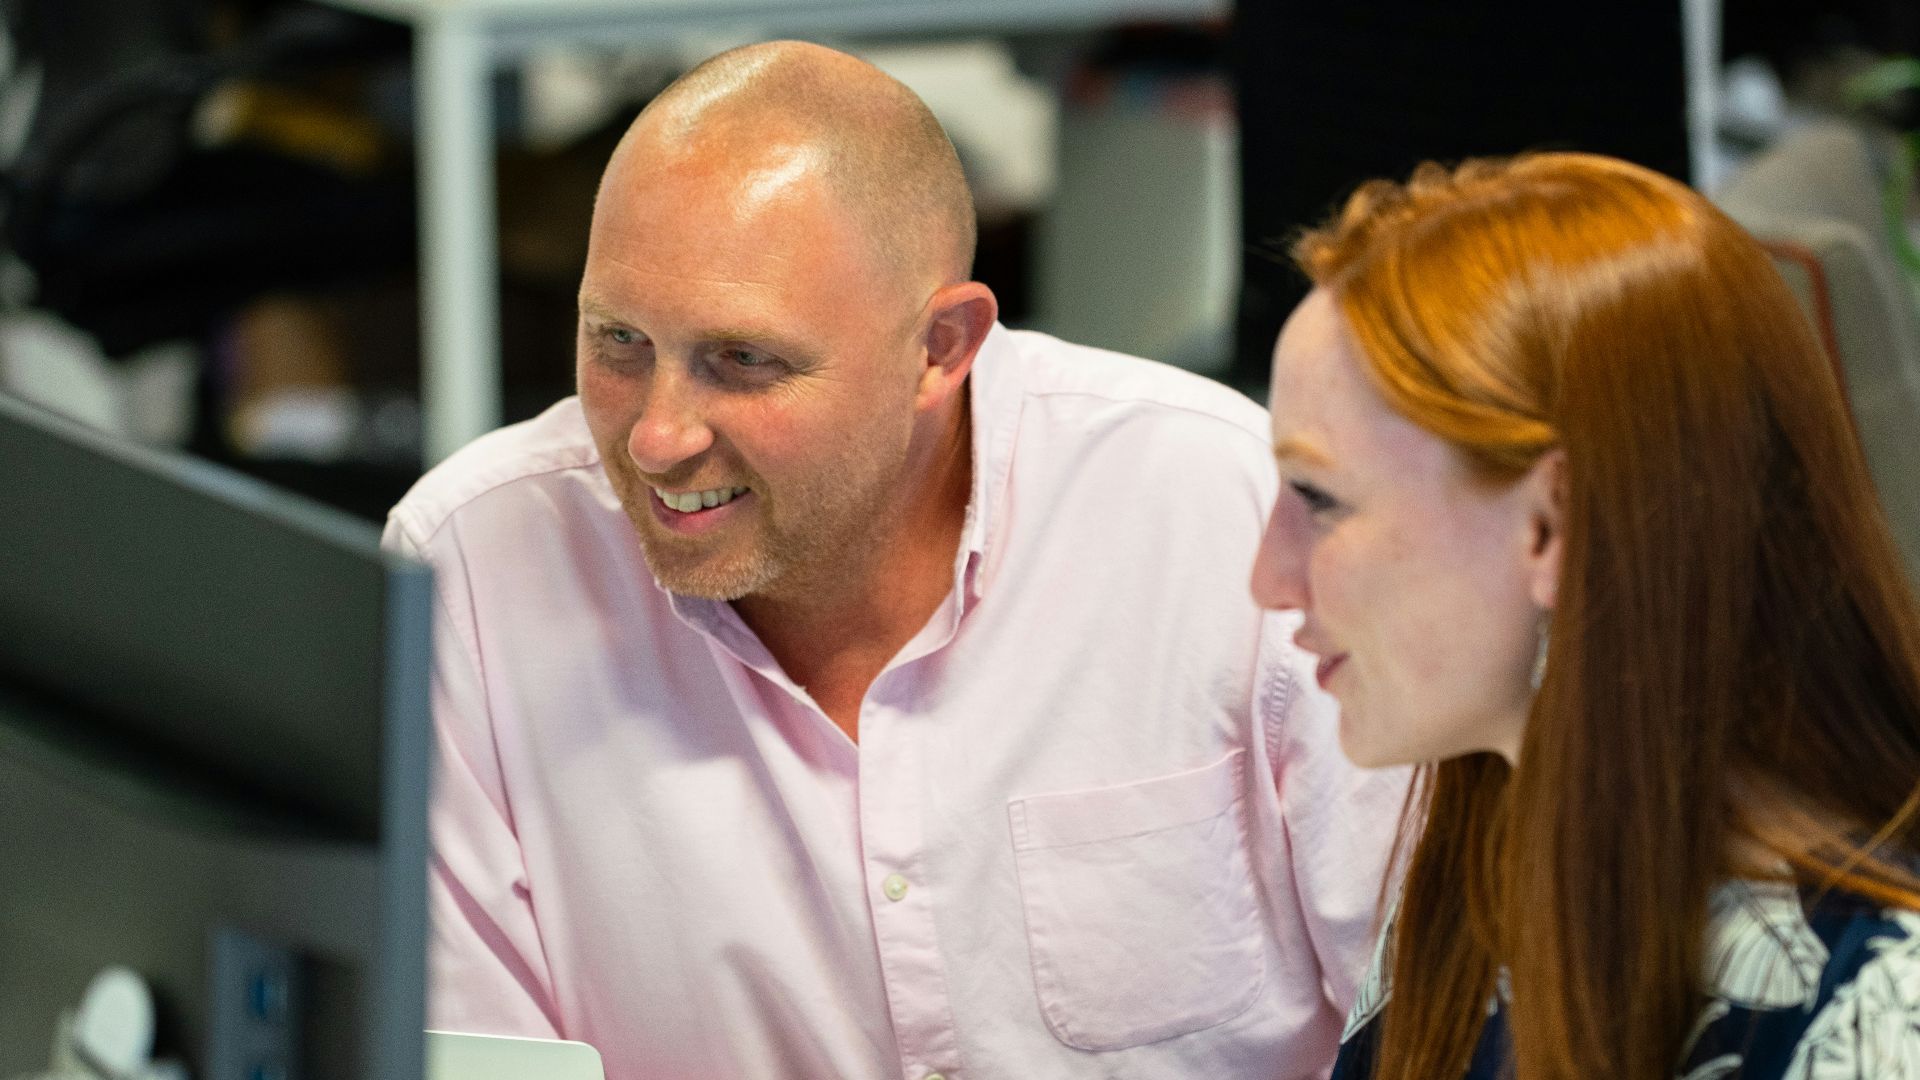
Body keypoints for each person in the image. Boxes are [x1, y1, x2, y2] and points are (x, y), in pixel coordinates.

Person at [382, 40, 1404, 1079]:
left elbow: (1448, 1019)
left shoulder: (1220, 513)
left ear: (941, 349)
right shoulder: (470, 570)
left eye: (744, 360)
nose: (656, 437)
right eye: (617, 342)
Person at [1252, 150, 1920, 1080]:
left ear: (1551, 524)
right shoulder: (1481, 904)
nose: (1268, 579)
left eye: (1319, 499)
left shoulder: (1883, 1018)